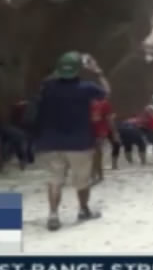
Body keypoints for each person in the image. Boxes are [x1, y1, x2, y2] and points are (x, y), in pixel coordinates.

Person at [33, 51, 110, 231]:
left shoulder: (48, 87)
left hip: (51, 142)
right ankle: (83, 210)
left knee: (55, 180)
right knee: (82, 180)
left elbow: (43, 84)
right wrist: (97, 71)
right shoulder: (87, 88)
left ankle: (53, 214)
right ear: (78, 70)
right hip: (79, 142)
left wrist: (59, 69)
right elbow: (106, 92)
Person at [90, 97, 119, 183]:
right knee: (97, 153)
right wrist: (114, 132)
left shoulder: (82, 101)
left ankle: (95, 175)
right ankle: (98, 175)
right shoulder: (104, 103)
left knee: (92, 153)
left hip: (86, 132)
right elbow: (109, 119)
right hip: (99, 132)